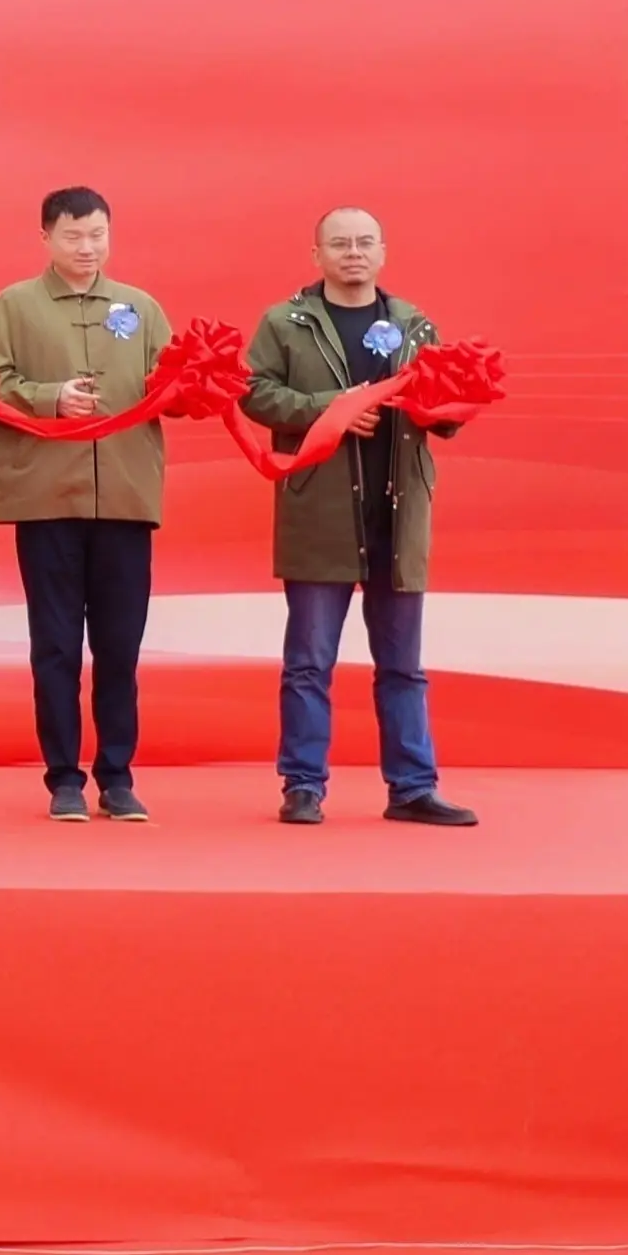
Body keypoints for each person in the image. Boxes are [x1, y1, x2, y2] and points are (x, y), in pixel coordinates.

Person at [244, 208, 479, 828]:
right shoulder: (286, 322)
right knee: (309, 662)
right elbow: (254, 393)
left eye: (365, 242)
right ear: (317, 254)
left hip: (397, 515)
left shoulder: (414, 324)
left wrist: (450, 408)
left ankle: (413, 787)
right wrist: (333, 407)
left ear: (383, 252)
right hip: (319, 510)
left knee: (403, 666)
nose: (353, 252)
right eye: (340, 243)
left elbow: (444, 412)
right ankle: (303, 785)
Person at [0, 186, 174, 822]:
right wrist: (49, 397)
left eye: (97, 235)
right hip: (47, 499)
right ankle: (64, 777)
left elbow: (174, 383)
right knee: (56, 646)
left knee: (120, 646)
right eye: (73, 235)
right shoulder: (14, 306)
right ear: (46, 238)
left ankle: (117, 777)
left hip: (124, 496)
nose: (87, 247)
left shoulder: (141, 308)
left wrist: (193, 386)